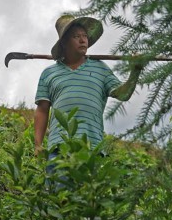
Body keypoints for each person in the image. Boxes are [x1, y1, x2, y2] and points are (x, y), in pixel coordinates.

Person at [34, 15, 142, 158]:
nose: (82, 39)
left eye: (84, 35)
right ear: (64, 43)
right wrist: (38, 145)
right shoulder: (49, 74)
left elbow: (123, 94)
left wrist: (135, 71)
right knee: (59, 180)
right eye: (76, 36)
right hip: (59, 147)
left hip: (92, 147)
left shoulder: (100, 69)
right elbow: (42, 110)